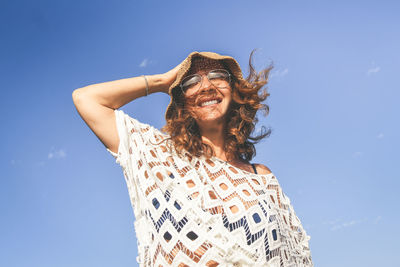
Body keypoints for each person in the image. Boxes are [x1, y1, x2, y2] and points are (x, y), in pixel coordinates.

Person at [72, 51, 313, 266]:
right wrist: (163, 81)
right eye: (191, 82)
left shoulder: (261, 177)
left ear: (235, 91)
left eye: (217, 75)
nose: (206, 86)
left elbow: (296, 259)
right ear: (182, 102)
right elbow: (87, 100)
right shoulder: (160, 157)